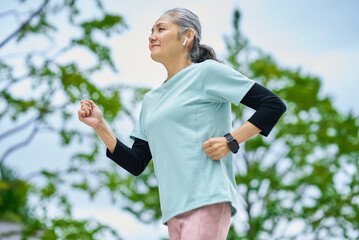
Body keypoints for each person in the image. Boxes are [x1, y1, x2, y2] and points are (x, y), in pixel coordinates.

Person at [78, 8, 286, 240]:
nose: (152, 36)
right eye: (151, 31)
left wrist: (231, 140)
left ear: (187, 36)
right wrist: (100, 126)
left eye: (161, 29)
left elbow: (272, 104)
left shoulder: (206, 73)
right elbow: (137, 162)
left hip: (207, 199)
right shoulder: (151, 100)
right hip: (173, 212)